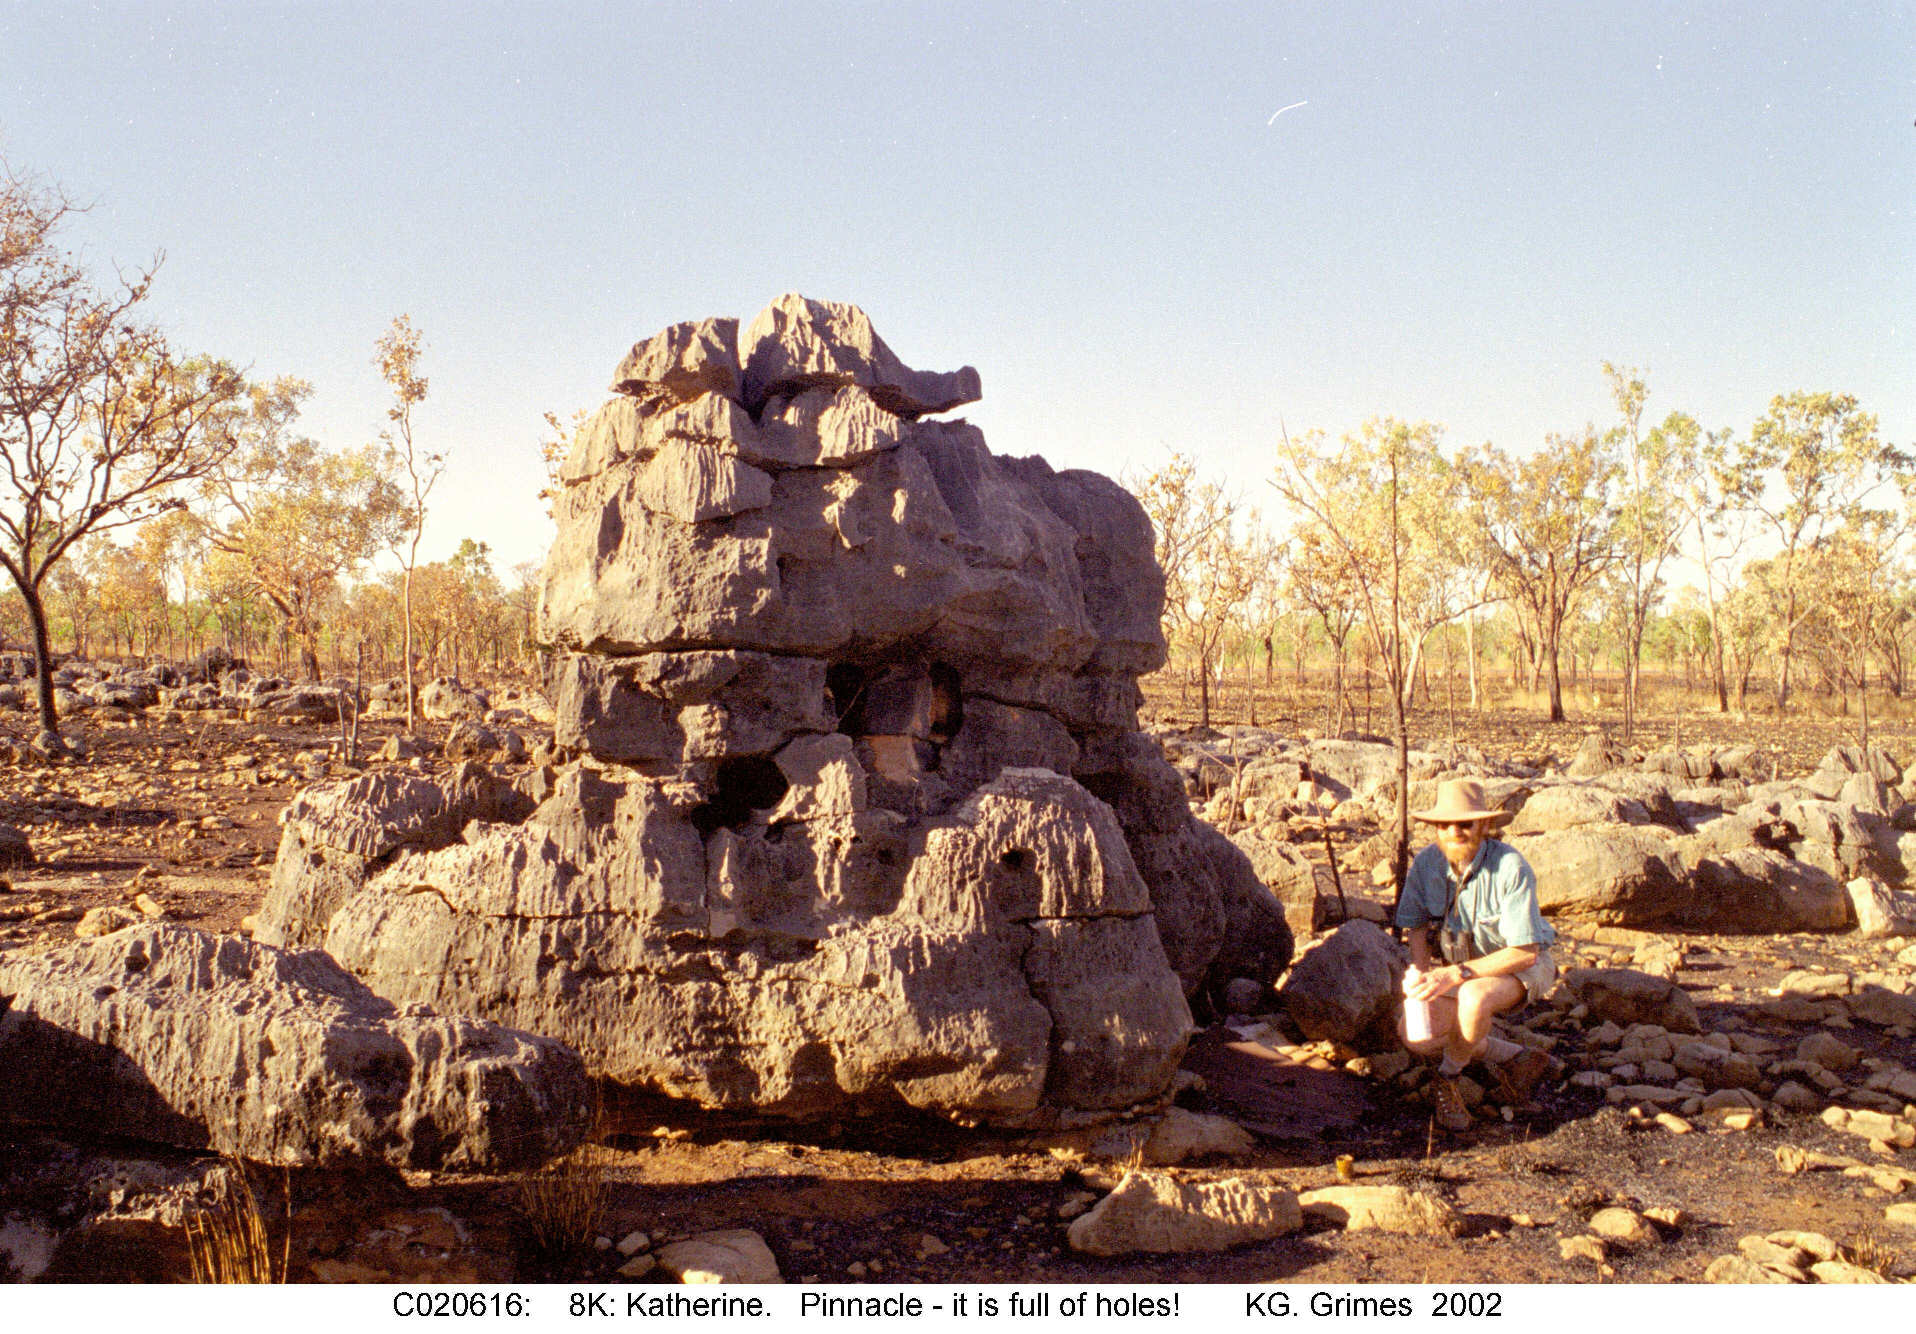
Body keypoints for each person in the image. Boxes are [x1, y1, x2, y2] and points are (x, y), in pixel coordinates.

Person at [1396, 778, 1558, 1131]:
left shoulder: (1510, 866)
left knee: (1474, 996)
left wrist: (1455, 974)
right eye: (1445, 825)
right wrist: (1421, 976)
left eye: (1465, 824)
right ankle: (1516, 1056)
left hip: (1521, 967)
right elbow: (1417, 928)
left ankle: (1448, 1078)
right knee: (1416, 1034)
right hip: (1464, 969)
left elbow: (1525, 952)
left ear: (1483, 826)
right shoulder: (1426, 865)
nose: (1454, 831)